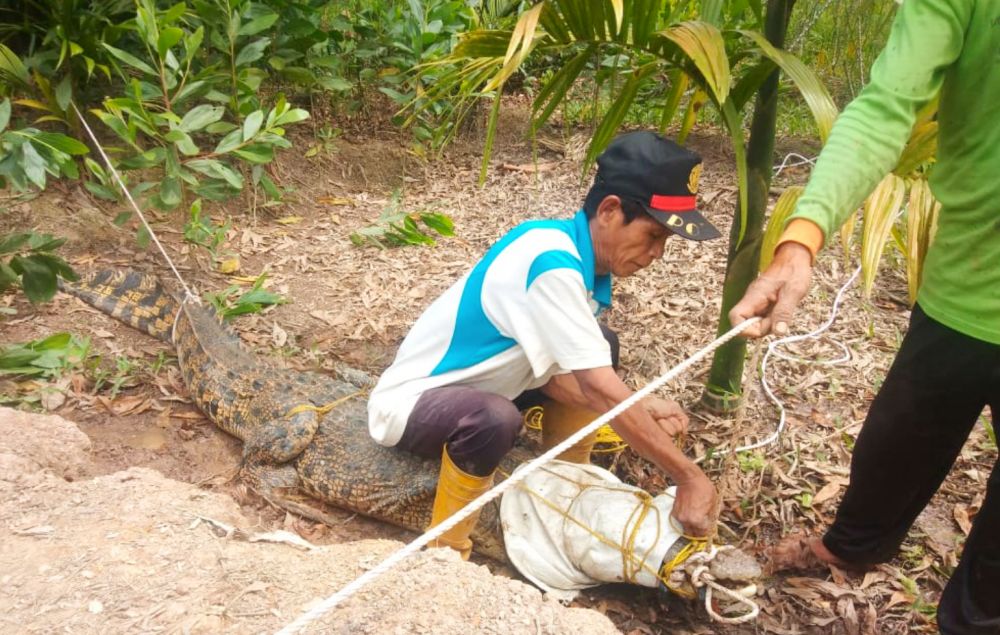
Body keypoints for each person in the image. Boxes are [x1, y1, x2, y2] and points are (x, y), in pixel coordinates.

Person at [729, 1, 999, 633]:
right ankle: (850, 547)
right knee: (896, 444)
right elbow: (886, 107)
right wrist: (803, 236)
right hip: (965, 286)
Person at [368, 131, 722, 559]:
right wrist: (688, 477)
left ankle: (569, 478)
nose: (657, 254)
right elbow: (594, 386)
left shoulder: (577, 257)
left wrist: (643, 407)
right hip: (414, 404)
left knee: (601, 345)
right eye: (653, 236)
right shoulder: (551, 264)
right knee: (495, 418)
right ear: (611, 211)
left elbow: (554, 375)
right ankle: (446, 551)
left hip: (489, 386)